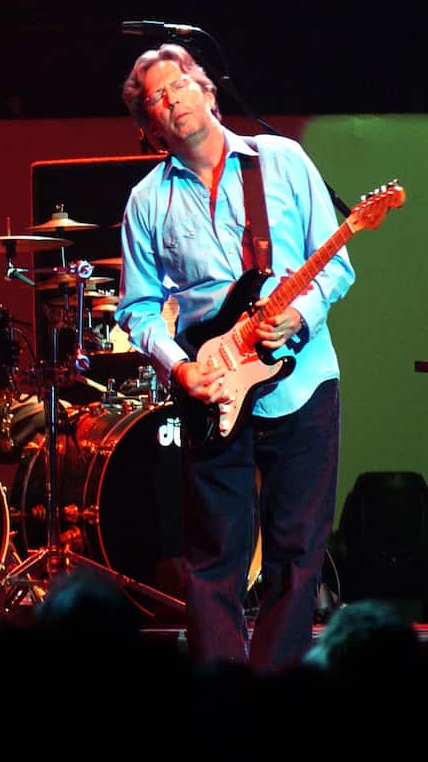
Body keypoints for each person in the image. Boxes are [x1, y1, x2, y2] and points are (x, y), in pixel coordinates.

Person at [115, 44, 355, 671]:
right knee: (215, 554)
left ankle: (273, 693)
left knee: (297, 550)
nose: (171, 101)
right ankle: (221, 694)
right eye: (156, 102)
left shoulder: (282, 160)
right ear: (149, 131)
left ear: (209, 93)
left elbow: (335, 267)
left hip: (302, 381)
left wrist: (298, 315)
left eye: (179, 86)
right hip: (213, 388)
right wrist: (181, 367)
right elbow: (138, 311)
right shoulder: (146, 201)